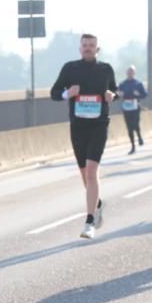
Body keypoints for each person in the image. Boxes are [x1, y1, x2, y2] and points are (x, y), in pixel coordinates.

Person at [50, 34, 118, 240]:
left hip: (99, 125)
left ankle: (89, 221)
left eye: (92, 46)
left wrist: (112, 96)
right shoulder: (70, 68)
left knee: (91, 172)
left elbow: (115, 90)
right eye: (85, 46)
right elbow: (54, 93)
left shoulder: (105, 69)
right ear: (80, 48)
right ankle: (97, 204)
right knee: (84, 175)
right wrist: (66, 94)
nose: (88, 49)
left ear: (98, 49)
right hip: (78, 127)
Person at [117, 65, 147, 154]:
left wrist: (138, 94)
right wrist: (120, 94)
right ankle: (133, 146)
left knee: (135, 124)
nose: (130, 73)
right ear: (126, 73)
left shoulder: (138, 83)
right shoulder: (122, 84)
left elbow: (145, 95)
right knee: (129, 127)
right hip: (126, 107)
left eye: (131, 71)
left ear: (134, 73)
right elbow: (117, 95)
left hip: (135, 106)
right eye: (128, 71)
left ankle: (139, 136)